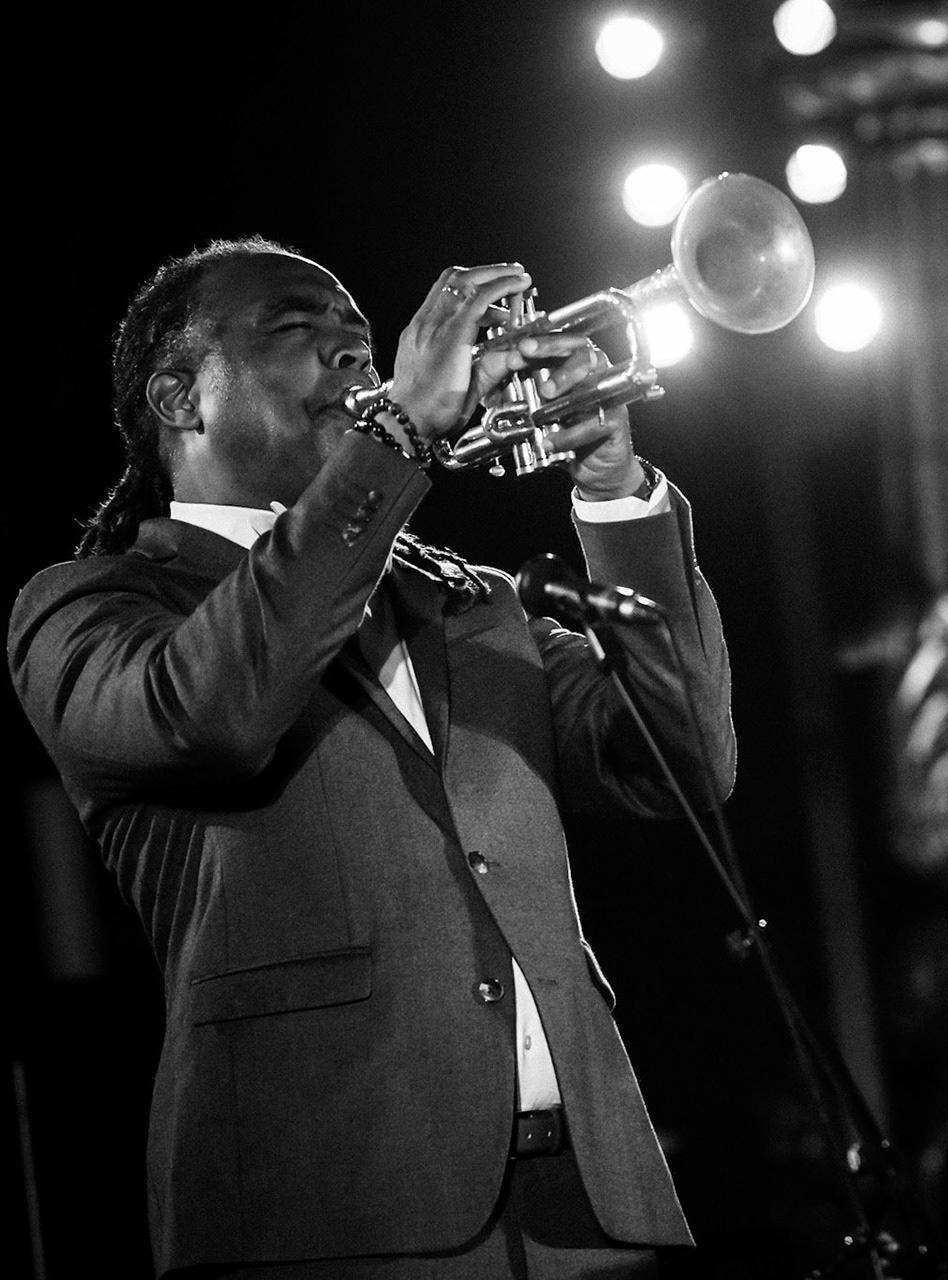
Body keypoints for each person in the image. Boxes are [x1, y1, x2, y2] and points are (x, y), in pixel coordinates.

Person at [8, 237, 735, 1276]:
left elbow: (682, 760)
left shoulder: (470, 598)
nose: (355, 354)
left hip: (586, 1214)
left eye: (359, 337)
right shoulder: (94, 607)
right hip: (328, 1211)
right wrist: (395, 441)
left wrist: (614, 489)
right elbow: (214, 714)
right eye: (297, 332)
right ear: (179, 397)